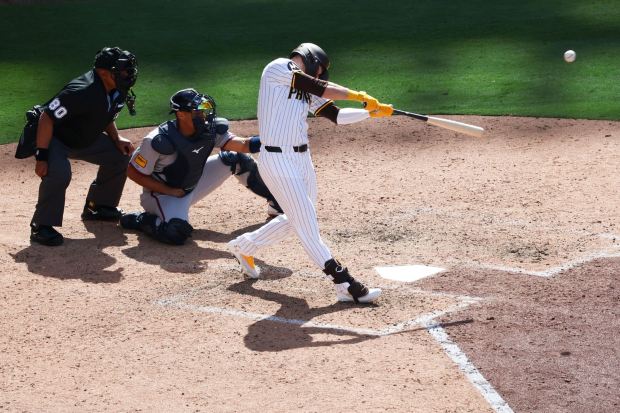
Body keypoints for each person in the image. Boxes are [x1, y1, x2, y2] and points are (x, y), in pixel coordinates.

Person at [227, 43, 393, 304]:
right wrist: (357, 94)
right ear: (312, 61)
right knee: (307, 225)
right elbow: (319, 87)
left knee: (300, 218)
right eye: (319, 71)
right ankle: (344, 283)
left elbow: (335, 115)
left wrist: (369, 113)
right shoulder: (278, 68)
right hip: (277, 160)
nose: (319, 77)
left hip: (302, 159)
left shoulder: (305, 88)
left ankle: (244, 246)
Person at [119, 88, 282, 245]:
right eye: (197, 112)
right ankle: (142, 220)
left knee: (236, 159)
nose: (203, 115)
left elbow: (244, 145)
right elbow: (133, 172)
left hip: (193, 184)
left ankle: (277, 204)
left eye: (204, 110)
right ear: (181, 114)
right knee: (176, 232)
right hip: (163, 195)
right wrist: (169, 191)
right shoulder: (159, 141)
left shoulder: (209, 130)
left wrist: (271, 140)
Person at [28, 47, 138, 246]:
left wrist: (116, 138)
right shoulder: (80, 91)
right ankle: (40, 225)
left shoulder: (116, 87)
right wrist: (42, 156)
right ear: (104, 72)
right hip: (55, 138)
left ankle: (98, 207)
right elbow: (47, 118)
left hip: (83, 137)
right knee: (60, 173)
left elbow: (104, 113)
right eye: (122, 69)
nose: (128, 73)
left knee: (119, 155)